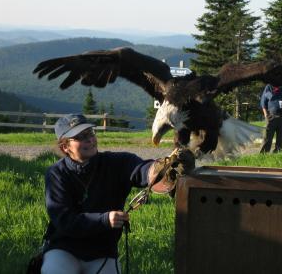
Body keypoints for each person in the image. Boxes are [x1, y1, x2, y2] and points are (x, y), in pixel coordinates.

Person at [40, 114, 194, 274]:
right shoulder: (57, 173)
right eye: (80, 137)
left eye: (90, 133)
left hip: (102, 251)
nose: (90, 140)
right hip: (64, 249)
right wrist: (104, 220)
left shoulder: (117, 162)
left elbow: (142, 170)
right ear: (65, 147)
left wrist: (163, 169)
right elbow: (64, 221)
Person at [260, 84, 282, 153]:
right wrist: (266, 115)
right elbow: (263, 102)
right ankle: (263, 154)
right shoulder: (269, 86)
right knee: (267, 137)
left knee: (281, 138)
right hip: (271, 116)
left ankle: (277, 154)